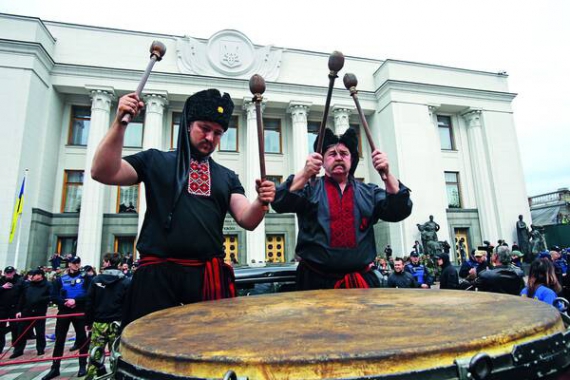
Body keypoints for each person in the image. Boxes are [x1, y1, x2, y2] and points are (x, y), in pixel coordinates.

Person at [91, 89, 275, 326]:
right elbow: (103, 171)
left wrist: (260, 202)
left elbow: (247, 220)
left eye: (218, 133)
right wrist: (120, 123)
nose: (210, 138)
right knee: (150, 353)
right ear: (188, 126)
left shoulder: (227, 176)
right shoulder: (155, 161)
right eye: (204, 128)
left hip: (206, 281)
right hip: (156, 279)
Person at [271, 128, 412, 290]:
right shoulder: (308, 190)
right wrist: (304, 173)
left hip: (360, 284)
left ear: (352, 160)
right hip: (315, 284)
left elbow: (399, 211)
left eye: (344, 153)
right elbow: (278, 202)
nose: (338, 157)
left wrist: (387, 174)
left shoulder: (369, 192)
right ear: (322, 161)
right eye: (332, 154)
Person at [43, 256, 91, 380]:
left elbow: (89, 294)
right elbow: (53, 295)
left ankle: (82, 366)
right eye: (74, 263)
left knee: (82, 339)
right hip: (64, 311)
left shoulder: (86, 278)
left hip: (79, 311)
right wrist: (64, 302)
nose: (76, 265)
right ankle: (55, 367)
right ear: (69, 264)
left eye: (78, 263)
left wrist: (75, 300)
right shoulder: (60, 279)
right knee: (59, 339)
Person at [84, 253, 130, 379]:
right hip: (117, 323)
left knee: (95, 354)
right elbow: (128, 304)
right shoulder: (126, 281)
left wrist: (88, 322)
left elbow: (89, 302)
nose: (103, 264)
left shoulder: (96, 280)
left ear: (108, 263)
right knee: (117, 355)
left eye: (104, 262)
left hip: (99, 323)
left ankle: (91, 377)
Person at [11, 269, 51, 358]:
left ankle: (40, 349)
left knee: (40, 331)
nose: (31, 277)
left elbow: (50, 296)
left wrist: (41, 299)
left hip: (39, 311)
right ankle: (18, 350)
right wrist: (18, 310)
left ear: (40, 275)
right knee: (21, 331)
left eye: (33, 275)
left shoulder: (47, 285)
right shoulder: (27, 285)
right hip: (26, 311)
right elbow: (22, 298)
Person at [0, 266, 23, 355]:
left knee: (15, 328)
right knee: (1, 328)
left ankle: (16, 347)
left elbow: (22, 295)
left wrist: (19, 309)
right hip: (2, 308)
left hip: (14, 308)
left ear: (14, 272)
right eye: (7, 273)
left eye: (11, 272)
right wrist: (2, 287)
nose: (9, 274)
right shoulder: (1, 281)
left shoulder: (19, 281)